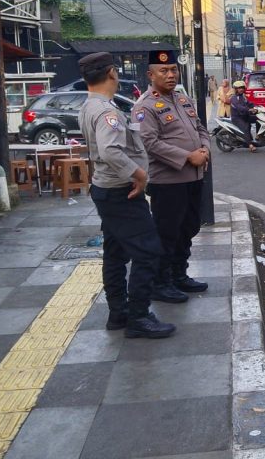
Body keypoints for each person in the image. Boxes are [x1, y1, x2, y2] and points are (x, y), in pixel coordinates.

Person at [76, 52, 176, 339]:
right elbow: (110, 151)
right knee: (148, 253)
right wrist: (139, 174)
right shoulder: (107, 112)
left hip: (105, 190)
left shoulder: (89, 106)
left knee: (115, 252)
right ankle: (139, 317)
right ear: (111, 73)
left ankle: (118, 312)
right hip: (121, 192)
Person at [134, 49, 212, 303]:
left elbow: (200, 127)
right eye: (163, 71)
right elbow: (149, 142)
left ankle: (180, 275)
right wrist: (188, 157)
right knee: (167, 232)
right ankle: (161, 282)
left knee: (188, 227)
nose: (170, 75)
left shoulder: (182, 99)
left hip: (194, 177)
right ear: (150, 74)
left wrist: (204, 149)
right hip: (168, 182)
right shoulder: (145, 106)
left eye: (173, 70)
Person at [230, 80, 258, 153]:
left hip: (245, 116)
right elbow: (239, 107)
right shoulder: (234, 98)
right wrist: (249, 110)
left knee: (258, 119)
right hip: (237, 118)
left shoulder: (243, 96)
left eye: (242, 87)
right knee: (245, 128)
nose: (241, 89)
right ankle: (250, 145)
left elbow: (249, 103)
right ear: (236, 89)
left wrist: (256, 106)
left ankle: (259, 136)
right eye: (239, 88)